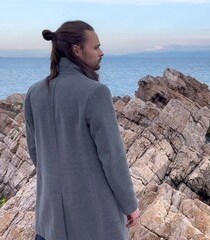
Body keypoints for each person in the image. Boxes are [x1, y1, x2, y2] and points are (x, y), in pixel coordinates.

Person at [24, 20, 140, 240]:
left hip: (49, 223)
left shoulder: (34, 93)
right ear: (77, 50)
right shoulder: (95, 93)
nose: (101, 52)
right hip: (94, 223)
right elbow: (112, 158)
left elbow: (35, 152)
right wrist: (130, 205)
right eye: (95, 47)